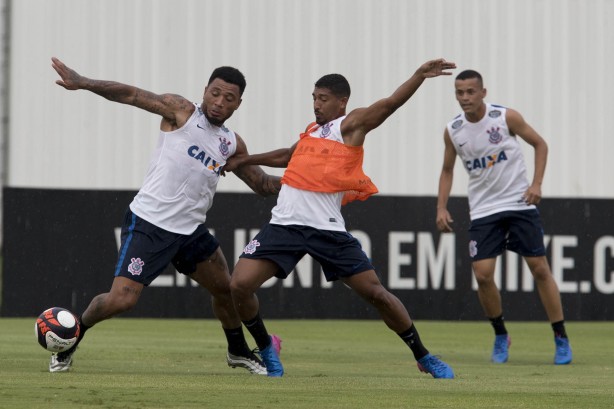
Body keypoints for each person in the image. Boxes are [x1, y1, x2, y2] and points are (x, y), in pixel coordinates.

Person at [224, 58, 457, 378]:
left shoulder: (350, 125)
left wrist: (418, 76)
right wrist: (243, 160)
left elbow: (389, 105)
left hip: (326, 230)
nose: (316, 105)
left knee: (377, 294)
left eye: (323, 99)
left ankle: (423, 356)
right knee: (239, 285)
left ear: (341, 101)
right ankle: (267, 347)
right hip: (285, 224)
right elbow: (286, 156)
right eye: (313, 98)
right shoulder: (311, 132)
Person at [49, 57, 281, 375]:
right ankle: (70, 341)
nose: (219, 102)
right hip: (150, 224)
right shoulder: (181, 111)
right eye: (215, 93)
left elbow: (263, 184)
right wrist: (84, 82)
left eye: (229, 98)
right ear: (205, 90)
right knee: (121, 300)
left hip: (191, 232)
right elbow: (131, 94)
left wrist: (309, 178)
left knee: (225, 290)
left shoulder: (231, 144)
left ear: (238, 103)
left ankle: (238, 351)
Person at [435, 69, 572, 365]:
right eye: (459, 92)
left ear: (483, 93)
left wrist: (536, 184)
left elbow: (540, 144)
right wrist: (441, 207)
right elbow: (447, 170)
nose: (465, 98)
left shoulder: (505, 117)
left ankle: (560, 336)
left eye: (471, 92)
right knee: (482, 274)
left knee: (539, 268)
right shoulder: (454, 130)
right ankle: (500, 334)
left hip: (518, 203)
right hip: (484, 209)